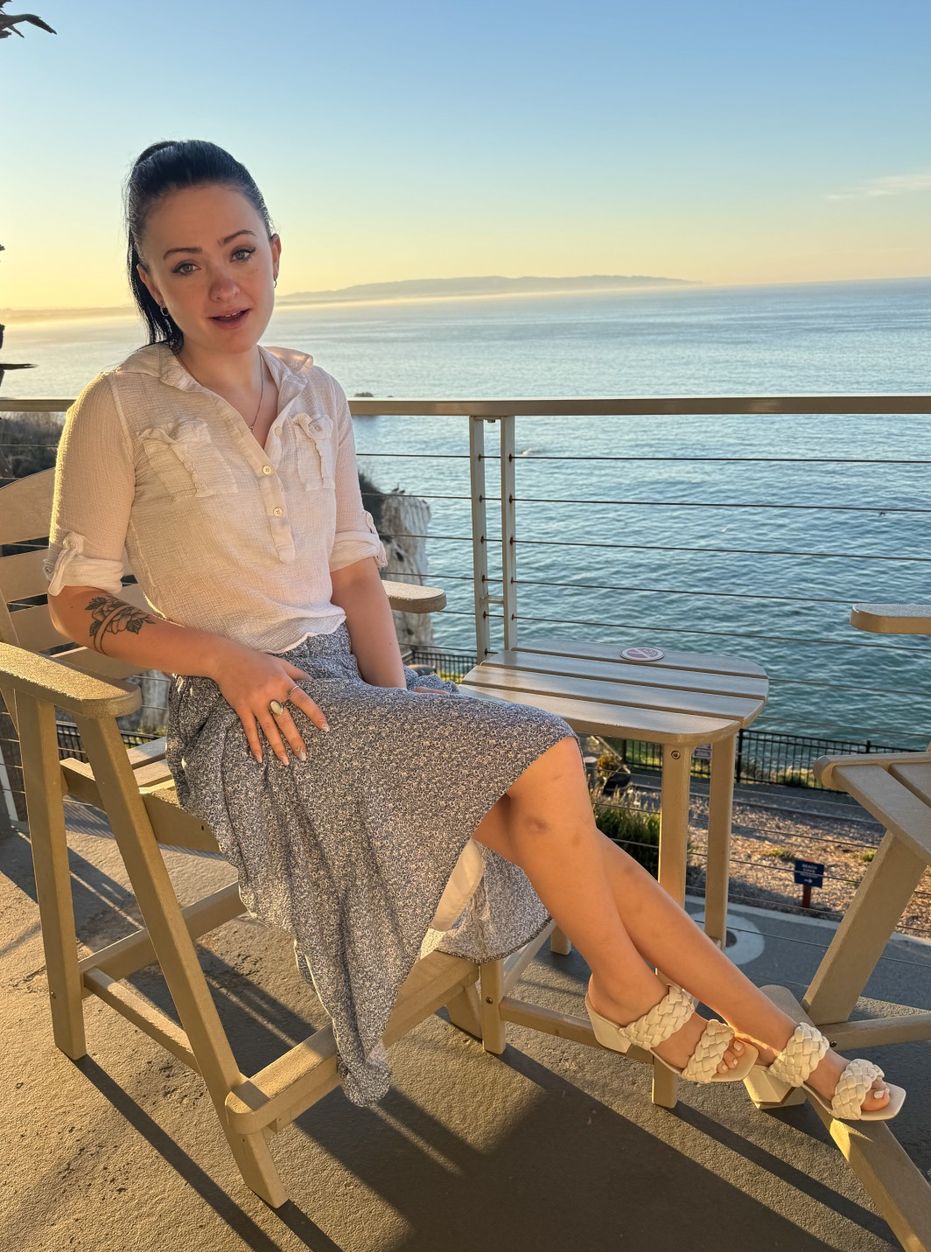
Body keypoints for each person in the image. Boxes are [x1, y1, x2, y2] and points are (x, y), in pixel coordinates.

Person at [43, 139, 904, 1121]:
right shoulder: (119, 406)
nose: (221, 283)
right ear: (149, 280)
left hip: (349, 691)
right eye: (186, 264)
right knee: (548, 750)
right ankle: (629, 995)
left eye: (239, 252)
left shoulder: (318, 394)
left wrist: (401, 707)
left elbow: (354, 572)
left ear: (274, 253)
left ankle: (791, 1051)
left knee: (566, 832)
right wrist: (221, 656)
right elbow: (74, 598)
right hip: (244, 719)